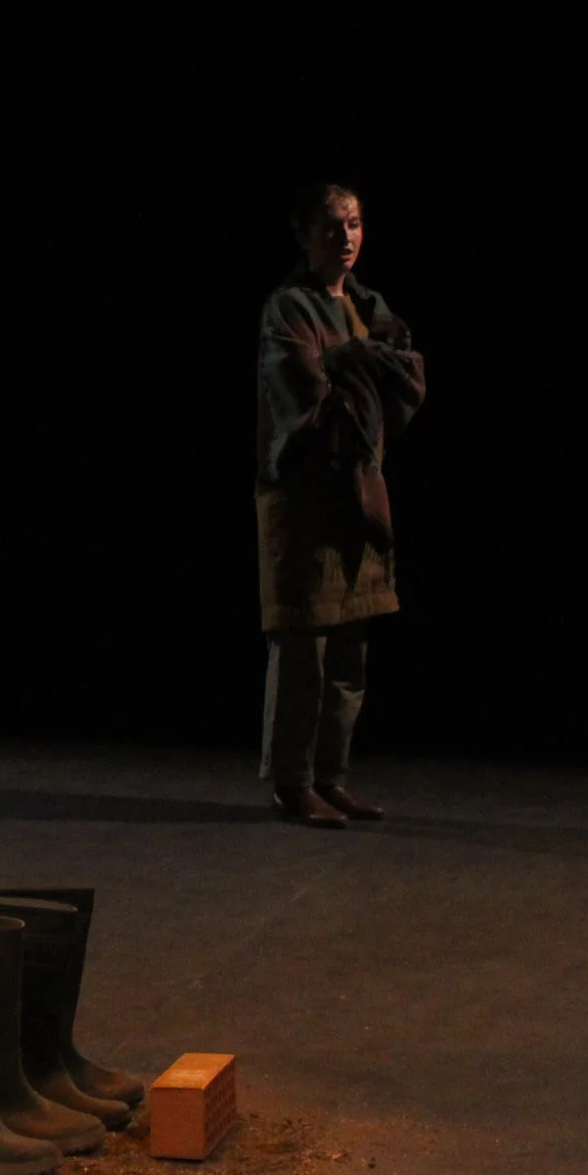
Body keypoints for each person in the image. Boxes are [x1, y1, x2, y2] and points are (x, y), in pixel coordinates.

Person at [255, 182, 426, 826]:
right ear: (305, 236)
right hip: (306, 495)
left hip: (356, 491)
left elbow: (403, 373)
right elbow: (305, 389)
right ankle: (293, 783)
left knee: (349, 650)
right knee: (305, 647)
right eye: (331, 226)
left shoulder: (366, 305)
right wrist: (357, 364)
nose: (345, 237)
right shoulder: (288, 308)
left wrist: (356, 362)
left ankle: (332, 777)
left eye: (353, 223)